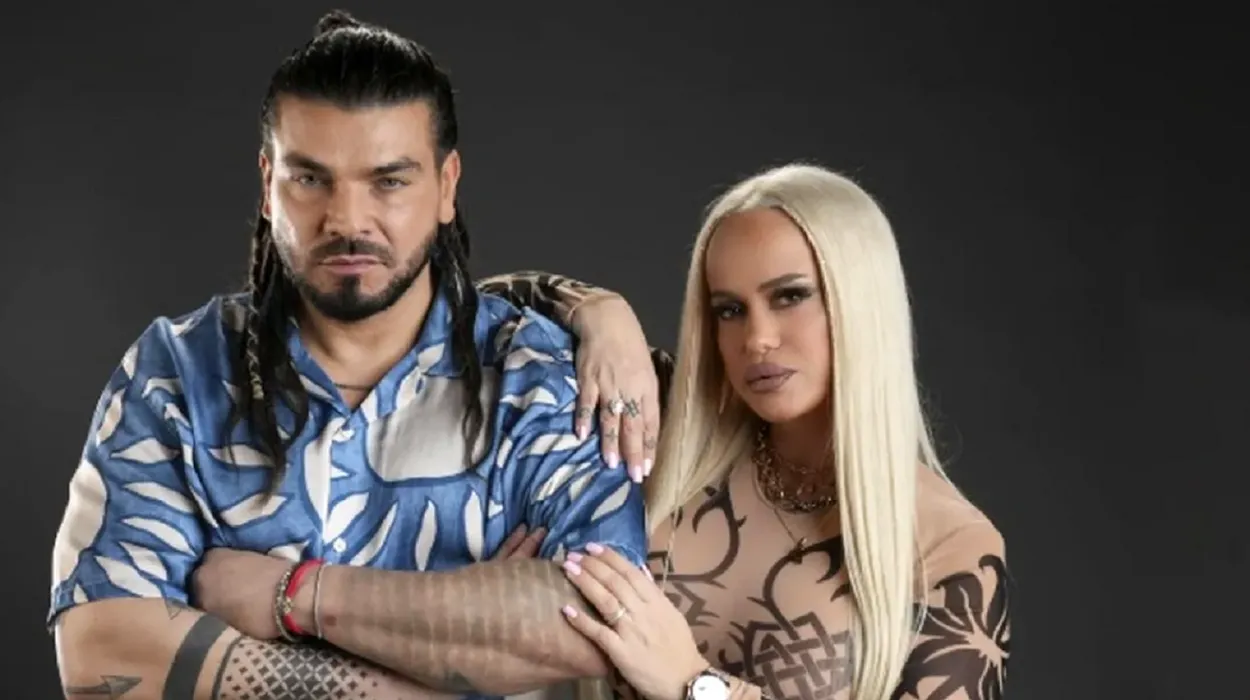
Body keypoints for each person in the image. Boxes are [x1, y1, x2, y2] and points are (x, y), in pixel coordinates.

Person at [48, 11, 656, 700]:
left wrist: (295, 596)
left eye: (388, 181)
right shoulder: (179, 375)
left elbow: (598, 622)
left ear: (447, 185)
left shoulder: (533, 380)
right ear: (268, 183)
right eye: (311, 180)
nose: (347, 220)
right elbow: (103, 656)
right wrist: (458, 645)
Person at [518, 165, 1013, 700]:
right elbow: (471, 307)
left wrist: (694, 684)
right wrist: (601, 313)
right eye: (730, 310)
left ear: (860, 301)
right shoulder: (661, 430)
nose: (756, 339)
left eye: (789, 296)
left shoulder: (950, 546)